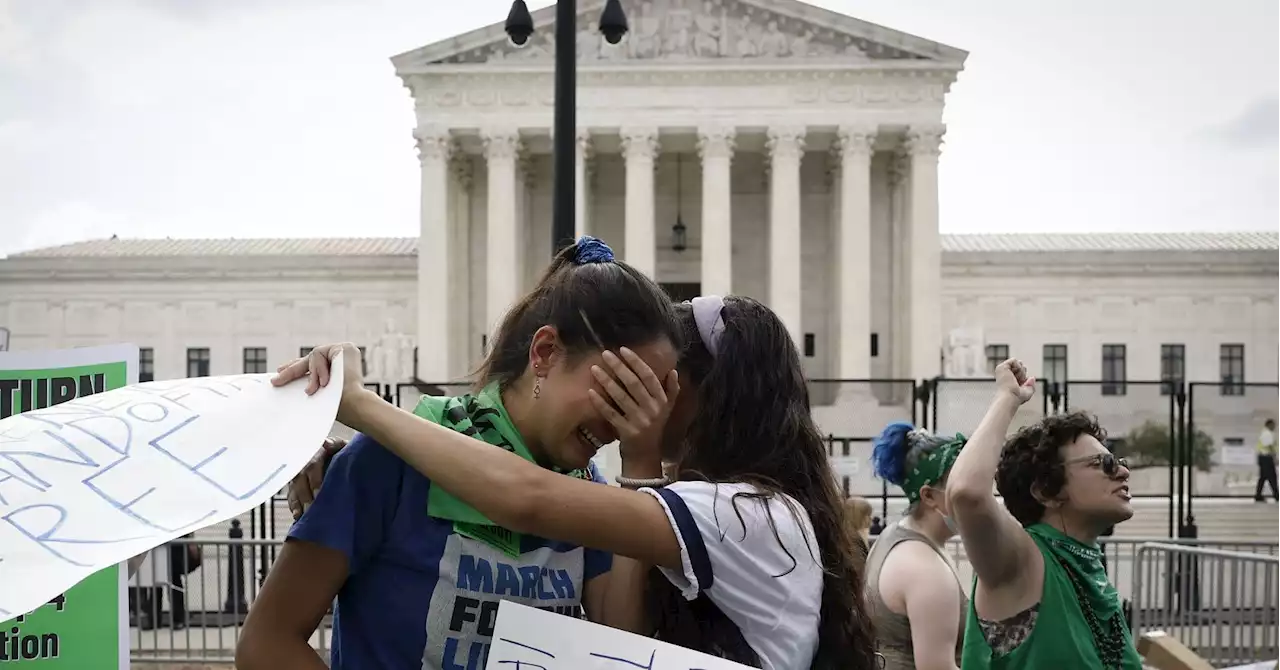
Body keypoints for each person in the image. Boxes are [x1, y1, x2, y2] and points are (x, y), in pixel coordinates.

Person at [274, 290, 878, 669]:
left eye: (654, 383)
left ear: (705, 396)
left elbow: (529, 500)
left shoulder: (747, 513)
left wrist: (363, 407)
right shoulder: (391, 465)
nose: (632, 407)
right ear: (544, 353)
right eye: (623, 379)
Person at [236, 237, 683, 670]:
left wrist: (640, 459)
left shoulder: (589, 490)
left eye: (650, 403)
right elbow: (266, 644)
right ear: (545, 353)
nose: (626, 421)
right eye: (620, 391)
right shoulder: (388, 461)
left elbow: (620, 643)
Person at [948, 359, 1142, 669]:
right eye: (1102, 464)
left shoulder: (1084, 560)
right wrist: (1007, 398)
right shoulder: (1023, 560)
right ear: (1046, 492)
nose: (1122, 471)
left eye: (1117, 460)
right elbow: (967, 493)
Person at [863, 424, 968, 670]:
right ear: (929, 496)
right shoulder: (924, 569)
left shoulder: (894, 537)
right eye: (962, 486)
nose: (975, 494)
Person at [1255, 419, 1277, 502]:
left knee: (1263, 477)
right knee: (1272, 476)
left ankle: (1258, 495)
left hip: (1262, 457)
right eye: (1273, 425)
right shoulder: (1267, 433)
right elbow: (1270, 446)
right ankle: (1276, 495)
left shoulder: (1264, 433)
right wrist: (1274, 457)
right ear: (1269, 425)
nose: (1275, 427)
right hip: (1266, 457)